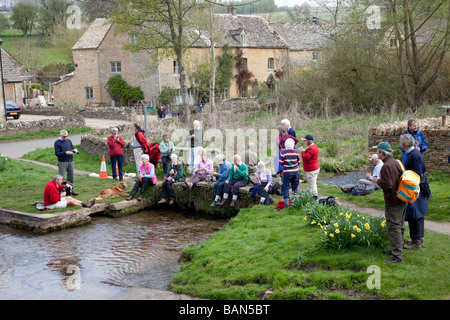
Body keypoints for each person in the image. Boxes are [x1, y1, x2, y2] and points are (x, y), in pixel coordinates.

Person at [372, 141, 406, 263]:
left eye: (377, 151)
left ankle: (397, 256)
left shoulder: (386, 166)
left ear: (382, 152)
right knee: (400, 226)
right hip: (401, 199)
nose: (376, 153)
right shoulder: (396, 162)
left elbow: (388, 185)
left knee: (393, 228)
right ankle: (398, 249)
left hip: (393, 201)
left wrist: (377, 180)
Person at [400, 134, 428, 250]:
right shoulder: (414, 153)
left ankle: (416, 241)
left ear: (404, 144)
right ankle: (418, 239)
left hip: (415, 188)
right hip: (419, 187)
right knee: (418, 214)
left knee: (415, 214)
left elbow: (417, 173)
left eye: (400, 142)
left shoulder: (413, 155)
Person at [54, 129, 79, 196]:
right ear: (61, 135)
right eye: (64, 136)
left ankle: (70, 190)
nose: (66, 138)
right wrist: (65, 153)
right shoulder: (57, 142)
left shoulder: (68, 141)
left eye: (67, 136)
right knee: (61, 177)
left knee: (71, 177)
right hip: (62, 162)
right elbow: (57, 153)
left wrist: (74, 150)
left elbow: (72, 148)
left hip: (70, 161)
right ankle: (61, 192)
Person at [279, 138, 301, 207]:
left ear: (285, 145)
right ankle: (295, 202)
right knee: (295, 187)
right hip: (295, 172)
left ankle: (286, 203)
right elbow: (298, 162)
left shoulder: (283, 152)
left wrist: (286, 165)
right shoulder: (296, 152)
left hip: (287, 172)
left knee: (286, 187)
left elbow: (281, 162)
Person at [299, 135, 320, 199]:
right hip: (314, 168)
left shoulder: (311, 148)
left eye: (305, 141)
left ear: (308, 141)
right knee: (312, 183)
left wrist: (302, 151)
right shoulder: (314, 147)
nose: (304, 142)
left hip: (311, 169)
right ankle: (312, 196)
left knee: (312, 184)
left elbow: (306, 157)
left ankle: (314, 198)